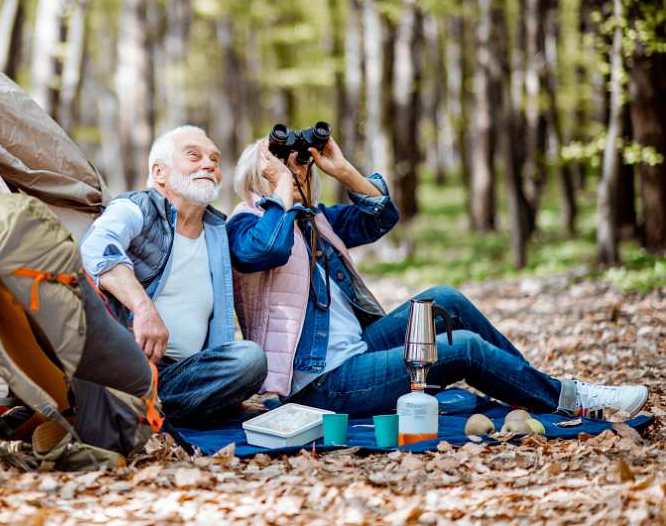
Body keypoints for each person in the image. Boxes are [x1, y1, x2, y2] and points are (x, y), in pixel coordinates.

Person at [225, 136, 649, 419]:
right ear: (257, 176)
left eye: (297, 168)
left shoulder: (315, 221)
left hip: (357, 351)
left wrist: (344, 172)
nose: (294, 174)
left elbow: (380, 218)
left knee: (446, 299)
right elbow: (269, 248)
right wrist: (280, 188)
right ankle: (573, 400)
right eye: (279, 167)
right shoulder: (244, 225)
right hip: (320, 383)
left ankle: (542, 390)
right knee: (460, 349)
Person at [80, 126, 267, 426]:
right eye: (194, 156)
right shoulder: (134, 207)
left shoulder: (219, 230)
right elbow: (95, 248)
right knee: (249, 359)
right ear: (160, 173)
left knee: (249, 359)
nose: (209, 165)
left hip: (186, 374)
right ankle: (141, 409)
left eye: (215, 160)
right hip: (132, 368)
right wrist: (143, 308)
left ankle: (154, 413)